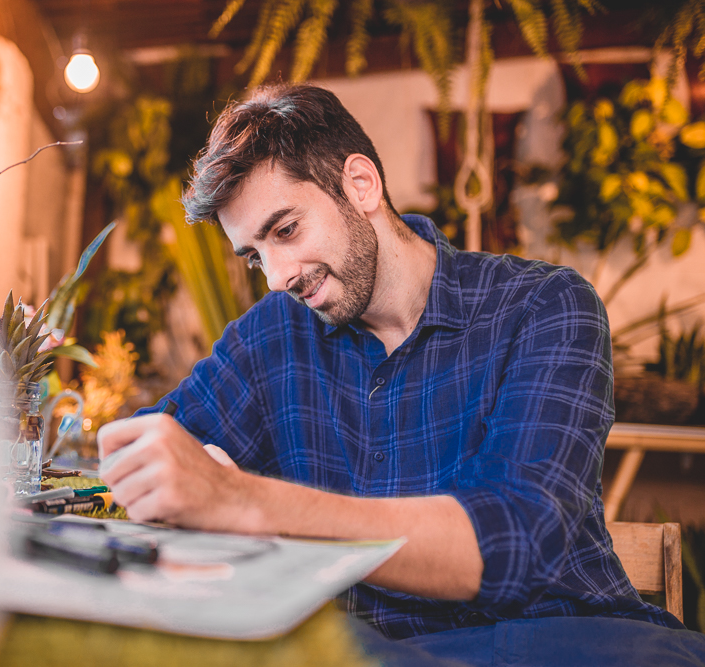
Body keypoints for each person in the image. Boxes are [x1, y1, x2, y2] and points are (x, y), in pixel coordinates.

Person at [97, 84, 705, 663]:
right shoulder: (272, 336)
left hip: (566, 646)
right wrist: (146, 467)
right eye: (256, 254)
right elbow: (155, 443)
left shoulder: (546, 308)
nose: (278, 275)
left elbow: (508, 543)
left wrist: (245, 502)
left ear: (360, 184)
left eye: (286, 229)